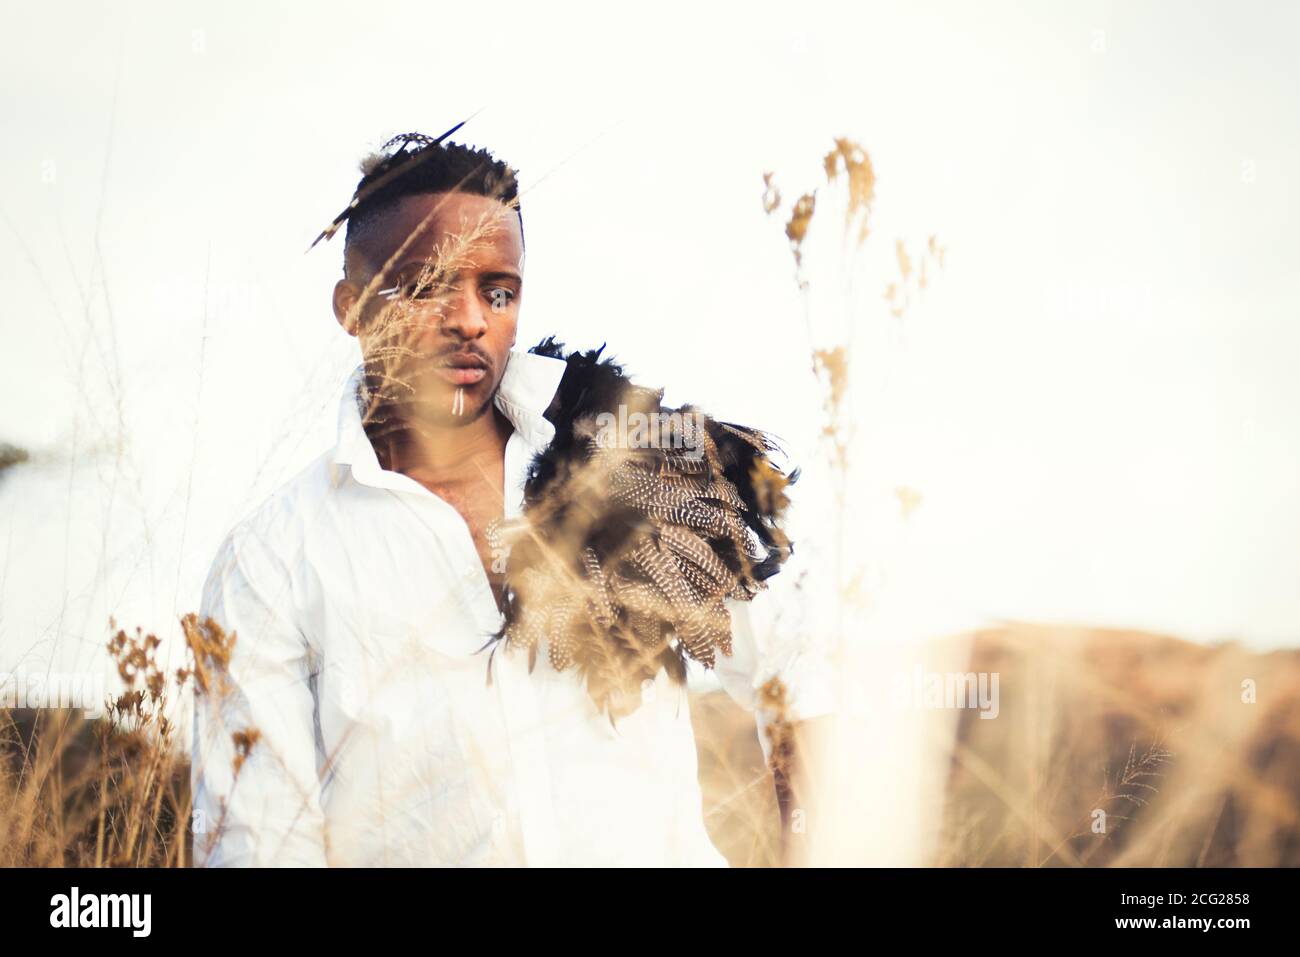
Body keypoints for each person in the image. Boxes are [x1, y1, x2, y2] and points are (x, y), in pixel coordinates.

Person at [190, 130, 832, 866]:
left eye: (498, 291)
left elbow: (805, 669)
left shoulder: (631, 460)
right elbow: (258, 846)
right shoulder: (271, 559)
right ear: (353, 306)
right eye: (427, 284)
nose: (470, 319)